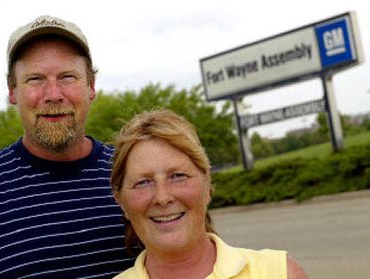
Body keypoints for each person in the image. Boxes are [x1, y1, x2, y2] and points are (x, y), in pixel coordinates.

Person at [0, 15, 134, 278]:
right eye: (35, 79)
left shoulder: (133, 175)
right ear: (12, 90)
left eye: (67, 77)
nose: (53, 95)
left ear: (91, 86)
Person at [111, 109, 309, 279]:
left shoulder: (278, 273)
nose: (163, 197)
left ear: (208, 187)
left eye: (178, 176)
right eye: (143, 182)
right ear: (120, 201)